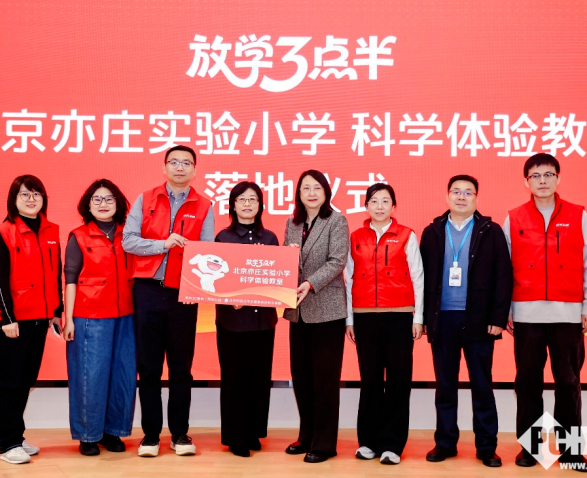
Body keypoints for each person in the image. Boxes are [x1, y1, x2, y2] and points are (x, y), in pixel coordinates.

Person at [123, 144, 214, 457]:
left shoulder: (204, 205)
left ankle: (180, 434)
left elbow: (208, 251)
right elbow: (128, 241)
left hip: (183, 294)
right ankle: (150, 435)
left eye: (186, 163)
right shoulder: (145, 199)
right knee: (148, 367)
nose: (180, 167)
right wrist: (163, 244)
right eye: (174, 162)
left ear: (194, 170)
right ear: (164, 167)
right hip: (147, 290)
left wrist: (197, 287)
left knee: (181, 368)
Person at [420, 174, 512, 468]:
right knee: (445, 386)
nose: (461, 197)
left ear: (476, 198)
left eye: (468, 192)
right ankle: (445, 442)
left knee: (482, 385)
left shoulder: (491, 231)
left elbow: (503, 276)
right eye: (456, 192)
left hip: (479, 320)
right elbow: (421, 278)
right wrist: (424, 318)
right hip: (442, 319)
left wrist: (498, 317)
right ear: (447, 196)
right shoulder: (433, 231)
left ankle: (486, 446)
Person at [504, 153, 587, 469]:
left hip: (568, 314)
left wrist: (585, 306)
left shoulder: (579, 215)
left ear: (558, 178)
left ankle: (571, 452)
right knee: (527, 384)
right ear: (526, 181)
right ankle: (531, 449)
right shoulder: (514, 218)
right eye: (536, 176)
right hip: (527, 315)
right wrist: (507, 309)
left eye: (548, 174)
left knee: (568, 384)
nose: (542, 181)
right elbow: (505, 270)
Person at [344, 183, 424, 465]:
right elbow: (349, 279)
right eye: (374, 201)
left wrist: (418, 317)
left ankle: (392, 444)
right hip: (365, 317)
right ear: (366, 206)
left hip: (399, 316)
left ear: (394, 206)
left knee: (399, 381)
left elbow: (418, 277)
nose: (379, 206)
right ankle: (368, 441)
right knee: (370, 381)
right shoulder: (356, 237)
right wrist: (350, 319)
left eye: (385, 201)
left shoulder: (407, 235)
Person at [63, 179, 136, 456]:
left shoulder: (129, 235)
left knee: (122, 376)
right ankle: (88, 435)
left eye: (109, 199)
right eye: (97, 199)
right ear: (88, 204)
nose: (103, 204)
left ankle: (113, 432)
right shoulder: (78, 236)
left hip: (126, 315)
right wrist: (69, 319)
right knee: (89, 376)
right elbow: (70, 279)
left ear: (118, 204)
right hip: (89, 316)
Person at [283, 169, 349, 464]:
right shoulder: (292, 224)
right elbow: (286, 262)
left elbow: (337, 261)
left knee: (324, 379)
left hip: (327, 310)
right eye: (305, 188)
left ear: (326, 192)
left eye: (317, 188)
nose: (311, 193)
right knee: (302, 377)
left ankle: (325, 443)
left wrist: (310, 283)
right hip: (297, 312)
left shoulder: (337, 221)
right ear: (298, 193)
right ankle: (307, 434)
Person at [0, 175, 63, 464]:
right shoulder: (5, 231)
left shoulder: (51, 230)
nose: (31, 199)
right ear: (13, 199)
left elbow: (55, 273)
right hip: (14, 321)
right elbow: (0, 280)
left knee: (26, 380)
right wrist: (6, 318)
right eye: (24, 194)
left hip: (41, 318)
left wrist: (57, 311)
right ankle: (6, 442)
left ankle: (15, 434)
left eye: (37, 194)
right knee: (9, 382)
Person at [214, 181, 278, 458]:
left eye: (253, 199)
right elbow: (214, 280)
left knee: (259, 378)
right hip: (232, 321)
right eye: (242, 199)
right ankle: (235, 437)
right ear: (233, 205)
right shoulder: (223, 238)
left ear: (260, 205)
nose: (248, 204)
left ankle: (253, 432)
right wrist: (229, 297)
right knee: (234, 378)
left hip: (263, 320)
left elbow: (277, 279)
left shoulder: (270, 238)